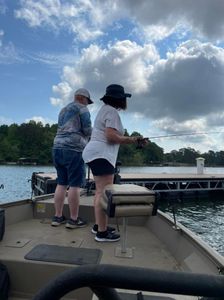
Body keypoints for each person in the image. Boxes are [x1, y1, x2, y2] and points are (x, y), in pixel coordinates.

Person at [82, 84, 148, 242]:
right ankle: (102, 233)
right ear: (119, 98)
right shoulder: (111, 111)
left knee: (99, 191)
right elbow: (111, 136)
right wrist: (134, 139)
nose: (125, 100)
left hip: (96, 153)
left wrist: (133, 139)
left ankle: (99, 226)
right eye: (124, 97)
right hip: (101, 155)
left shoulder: (105, 110)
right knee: (103, 193)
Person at [51, 88, 93, 229]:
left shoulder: (63, 110)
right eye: (88, 101)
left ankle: (57, 217)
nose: (88, 104)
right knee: (75, 185)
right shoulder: (82, 109)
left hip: (57, 147)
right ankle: (74, 220)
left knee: (61, 183)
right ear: (82, 98)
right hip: (73, 149)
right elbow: (87, 130)